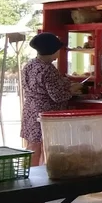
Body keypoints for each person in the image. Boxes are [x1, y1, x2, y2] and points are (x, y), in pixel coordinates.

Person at [20, 32, 81, 166]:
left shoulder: (30, 65)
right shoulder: (48, 69)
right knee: (49, 148)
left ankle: (29, 175)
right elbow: (57, 97)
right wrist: (72, 90)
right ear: (53, 51)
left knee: (32, 146)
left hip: (30, 110)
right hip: (46, 113)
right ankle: (45, 177)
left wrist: (65, 83)